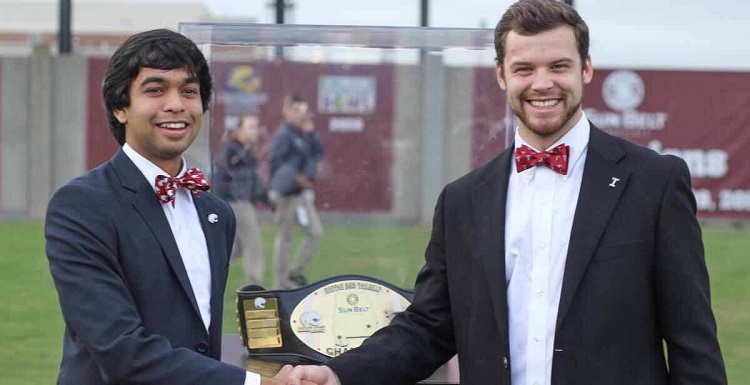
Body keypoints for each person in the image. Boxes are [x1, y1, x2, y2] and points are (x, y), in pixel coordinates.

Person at [288, 1, 727, 384]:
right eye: (524, 69)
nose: (542, 84)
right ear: (501, 75)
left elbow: (693, 341)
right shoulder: (463, 200)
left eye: (558, 66)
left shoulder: (654, 181)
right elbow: (427, 327)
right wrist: (340, 373)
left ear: (586, 69)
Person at [45, 29, 294, 385]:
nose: (176, 104)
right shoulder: (81, 206)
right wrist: (255, 383)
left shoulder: (217, 214)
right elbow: (120, 351)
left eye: (189, 91)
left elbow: (201, 344)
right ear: (120, 107)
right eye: (155, 90)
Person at [268, 94, 325, 289]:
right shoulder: (284, 134)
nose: (302, 115)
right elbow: (275, 162)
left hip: (301, 194)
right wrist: (295, 177)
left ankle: (294, 272)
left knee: (315, 232)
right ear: (287, 111)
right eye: (297, 110)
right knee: (285, 239)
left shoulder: (303, 134)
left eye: (304, 111)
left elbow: (319, 154)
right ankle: (280, 284)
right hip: (286, 194)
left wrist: (311, 134)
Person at [214, 114, 271, 286]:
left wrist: (267, 200)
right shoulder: (232, 149)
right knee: (253, 246)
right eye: (251, 127)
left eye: (256, 126)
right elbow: (225, 177)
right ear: (239, 130)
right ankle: (253, 287)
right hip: (237, 203)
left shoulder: (246, 150)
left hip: (238, 202)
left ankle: (207, 268)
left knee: (234, 249)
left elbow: (253, 181)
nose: (256, 131)